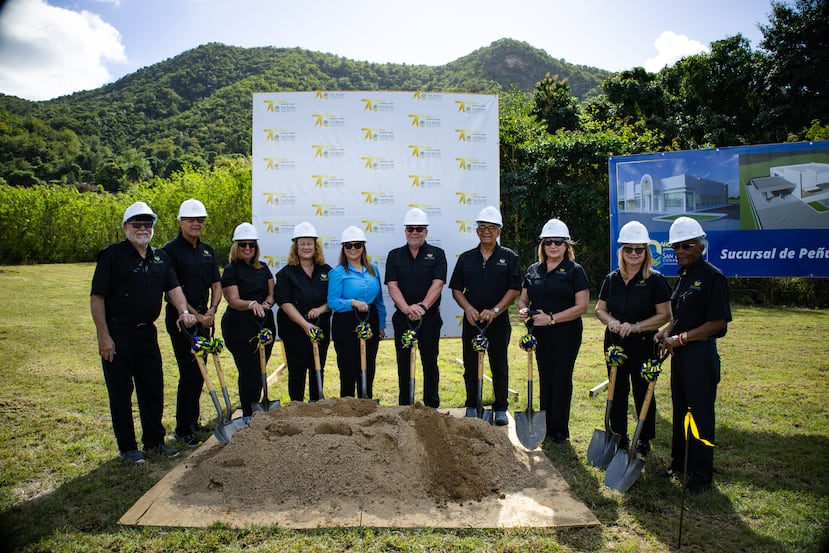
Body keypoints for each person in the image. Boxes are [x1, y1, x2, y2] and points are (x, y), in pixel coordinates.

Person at [90, 201, 196, 464]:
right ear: (126, 227)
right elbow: (97, 297)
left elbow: (174, 288)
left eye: (147, 224)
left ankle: (155, 441)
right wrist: (104, 336)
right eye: (137, 224)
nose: (143, 229)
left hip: (147, 334)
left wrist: (183, 311)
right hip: (118, 333)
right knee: (121, 391)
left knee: (152, 388)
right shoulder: (112, 256)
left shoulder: (160, 257)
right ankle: (128, 447)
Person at [655, 216, 731, 496]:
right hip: (680, 355)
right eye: (676, 247)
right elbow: (681, 316)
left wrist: (682, 338)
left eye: (687, 246)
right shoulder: (684, 276)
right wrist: (666, 331)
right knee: (680, 411)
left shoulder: (713, 277)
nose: (681, 252)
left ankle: (701, 476)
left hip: (700, 354)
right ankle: (680, 465)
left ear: (701, 245)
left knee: (700, 415)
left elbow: (718, 322)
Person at [594, 221, 671, 456]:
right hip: (615, 343)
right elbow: (599, 309)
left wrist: (636, 326)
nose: (634, 254)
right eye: (629, 249)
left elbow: (665, 315)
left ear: (646, 252)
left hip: (644, 344)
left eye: (639, 249)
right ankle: (618, 435)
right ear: (622, 252)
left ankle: (644, 438)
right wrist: (612, 322)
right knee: (616, 391)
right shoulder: (612, 278)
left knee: (642, 390)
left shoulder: (655, 280)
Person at [517, 218, 589, 442]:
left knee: (561, 379)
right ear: (542, 245)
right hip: (540, 334)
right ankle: (545, 425)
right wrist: (523, 312)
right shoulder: (533, 270)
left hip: (566, 334)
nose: (553, 246)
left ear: (567, 245)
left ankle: (559, 429)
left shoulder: (574, 271)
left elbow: (582, 307)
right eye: (548, 242)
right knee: (545, 376)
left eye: (558, 242)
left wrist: (551, 319)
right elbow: (522, 299)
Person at [449, 206, 520, 426]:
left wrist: (496, 310)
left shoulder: (509, 257)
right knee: (470, 365)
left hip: (498, 322)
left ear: (499, 231)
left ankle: (500, 407)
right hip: (472, 322)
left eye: (491, 227)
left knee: (499, 364)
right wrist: (468, 309)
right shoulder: (466, 258)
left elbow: (514, 290)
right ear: (477, 231)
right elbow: (456, 289)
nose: (486, 231)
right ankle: (472, 404)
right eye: (482, 227)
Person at [162, 199, 222, 447]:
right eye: (191, 220)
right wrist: (197, 317)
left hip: (205, 320)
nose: (196, 223)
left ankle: (193, 421)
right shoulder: (169, 251)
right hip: (182, 321)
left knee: (200, 372)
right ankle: (182, 429)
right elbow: (171, 290)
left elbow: (216, 284)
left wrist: (213, 310)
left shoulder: (207, 250)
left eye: (200, 220)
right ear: (181, 222)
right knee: (189, 373)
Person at [385, 208, 447, 408]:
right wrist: (406, 309)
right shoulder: (394, 255)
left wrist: (422, 307)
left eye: (419, 229)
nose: (414, 232)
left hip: (429, 319)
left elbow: (438, 284)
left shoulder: (437, 254)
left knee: (430, 363)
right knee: (403, 363)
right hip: (403, 318)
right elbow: (392, 285)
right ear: (405, 231)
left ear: (426, 231)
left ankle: (432, 406)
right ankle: (405, 405)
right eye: (410, 228)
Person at [220, 222, 275, 420]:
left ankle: (256, 406)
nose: (247, 248)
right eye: (243, 245)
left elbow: (271, 294)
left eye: (251, 245)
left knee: (260, 367)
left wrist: (267, 304)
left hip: (263, 323)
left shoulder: (264, 268)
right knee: (248, 370)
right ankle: (247, 412)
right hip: (239, 326)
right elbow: (233, 300)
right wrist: (252, 304)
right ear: (236, 246)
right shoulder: (230, 270)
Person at [274, 222, 332, 402]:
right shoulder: (286, 274)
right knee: (297, 371)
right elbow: (285, 303)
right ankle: (296, 408)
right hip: (294, 330)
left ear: (316, 247)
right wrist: (305, 325)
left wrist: (321, 309)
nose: (306, 247)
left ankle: (316, 405)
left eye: (310, 243)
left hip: (320, 328)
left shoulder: (327, 271)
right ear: (296, 247)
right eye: (302, 243)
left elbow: (335, 298)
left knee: (317, 368)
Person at [327, 226, 386, 398]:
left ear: (363, 247)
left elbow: (380, 301)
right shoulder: (337, 273)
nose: (353, 249)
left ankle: (366, 401)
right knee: (349, 366)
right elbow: (333, 302)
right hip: (346, 323)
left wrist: (381, 324)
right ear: (343, 248)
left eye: (357, 245)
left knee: (368, 364)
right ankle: (348, 405)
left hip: (370, 319)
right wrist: (352, 302)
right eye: (348, 246)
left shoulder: (373, 269)